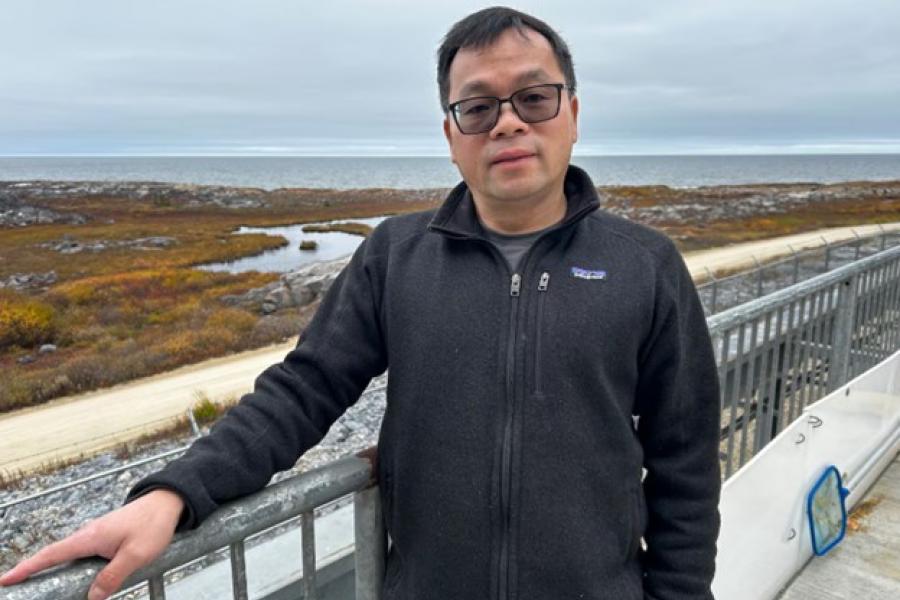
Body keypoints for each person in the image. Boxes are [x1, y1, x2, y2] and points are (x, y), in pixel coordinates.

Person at [0, 7, 722, 600]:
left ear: (572, 113)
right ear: (451, 136)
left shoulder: (644, 265)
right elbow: (305, 388)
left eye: (533, 98)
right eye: (477, 106)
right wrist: (174, 494)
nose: (507, 123)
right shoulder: (395, 255)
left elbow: (684, 458)